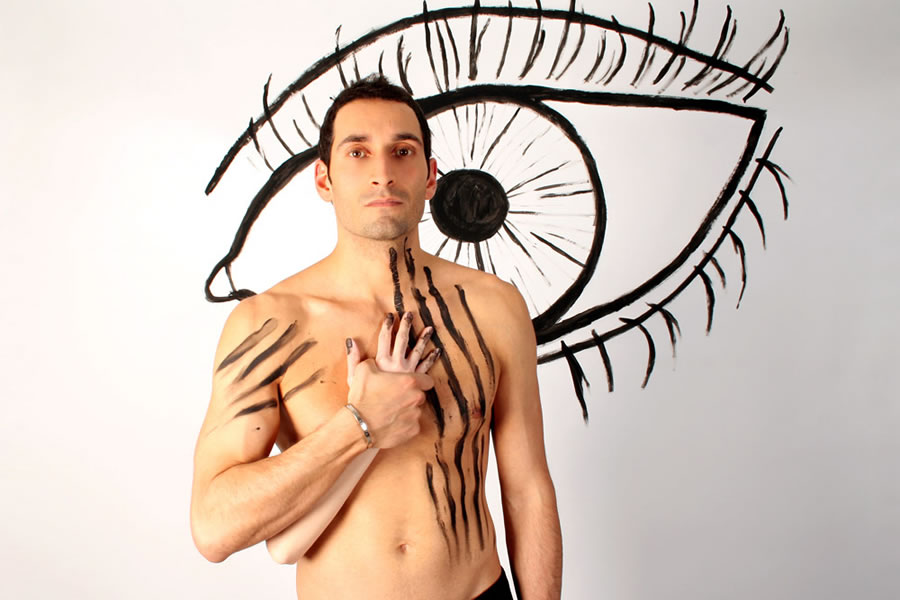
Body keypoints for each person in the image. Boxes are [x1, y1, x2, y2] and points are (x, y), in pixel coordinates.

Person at [190, 75, 562, 600]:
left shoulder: (494, 306)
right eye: (358, 152)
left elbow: (527, 489)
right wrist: (360, 424)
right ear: (324, 179)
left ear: (430, 177)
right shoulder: (268, 324)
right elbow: (213, 528)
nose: (382, 172)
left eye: (402, 151)